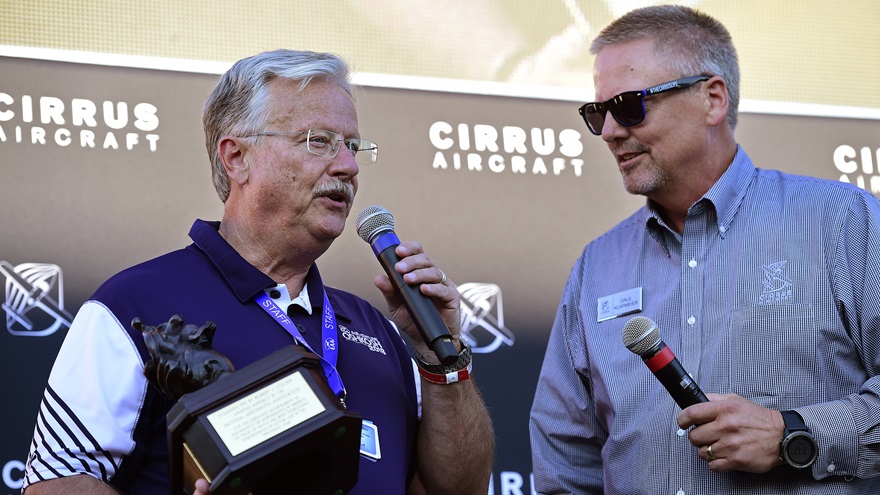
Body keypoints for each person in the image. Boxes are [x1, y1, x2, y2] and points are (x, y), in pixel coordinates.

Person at [22, 49, 494, 495]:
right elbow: (54, 482)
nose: (348, 166)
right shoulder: (135, 304)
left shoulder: (382, 332)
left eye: (352, 145)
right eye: (319, 141)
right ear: (236, 158)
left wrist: (442, 358)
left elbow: (454, 490)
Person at [529, 4, 880, 494]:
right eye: (598, 113)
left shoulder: (839, 220)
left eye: (629, 105)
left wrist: (793, 433)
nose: (609, 131)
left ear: (712, 99)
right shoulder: (597, 267)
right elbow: (565, 467)